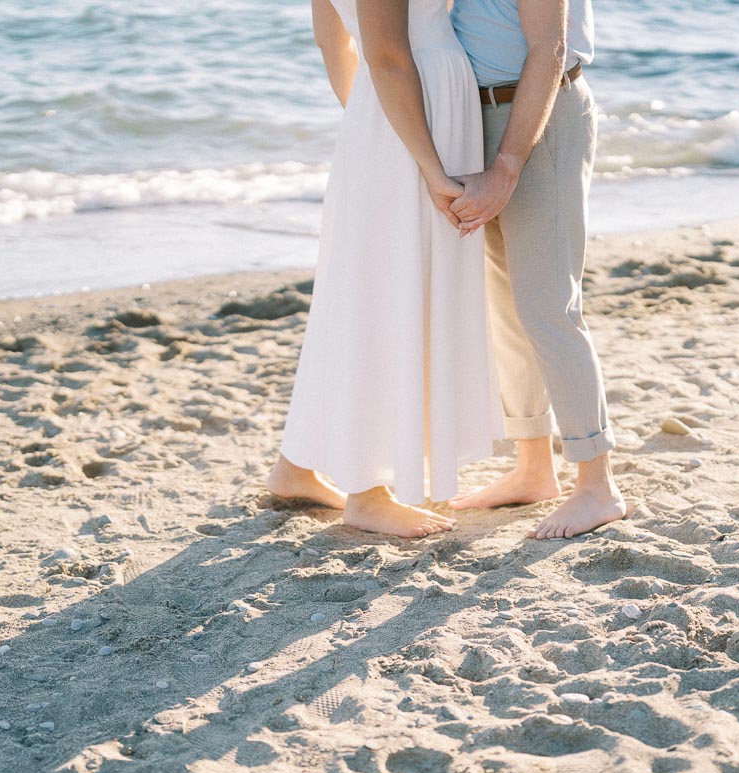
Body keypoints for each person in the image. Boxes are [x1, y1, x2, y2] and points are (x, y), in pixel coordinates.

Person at [266, 0, 500, 538]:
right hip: (417, 109)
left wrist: (369, 124)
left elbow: (334, 42)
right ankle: (368, 494)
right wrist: (426, 164)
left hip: (392, 113)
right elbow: (389, 55)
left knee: (363, 288)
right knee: (385, 294)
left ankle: (295, 467)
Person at [446, 0, 628, 540]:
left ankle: (598, 486)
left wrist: (505, 166)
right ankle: (533, 468)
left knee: (549, 306)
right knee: (508, 307)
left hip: (538, 115)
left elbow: (549, 47)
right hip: (473, 117)